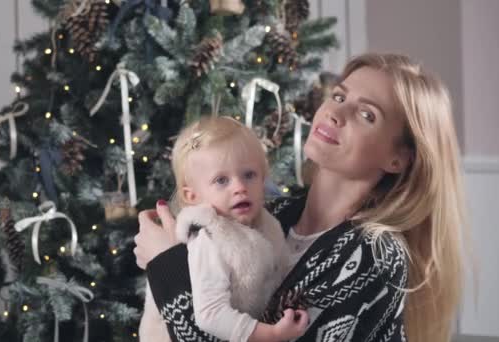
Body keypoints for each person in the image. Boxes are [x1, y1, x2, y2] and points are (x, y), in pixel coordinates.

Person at [134, 53, 467, 342]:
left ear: (398, 158)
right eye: (338, 96)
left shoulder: (375, 256)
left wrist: (165, 262)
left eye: (367, 115)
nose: (336, 114)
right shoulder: (273, 213)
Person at [138, 116, 309, 342]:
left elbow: (282, 272)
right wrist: (271, 334)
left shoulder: (268, 223)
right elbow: (210, 314)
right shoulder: (207, 237)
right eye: (221, 180)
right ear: (193, 196)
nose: (239, 187)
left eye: (249, 175)